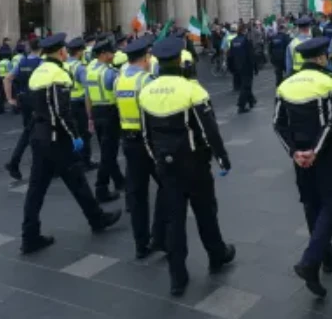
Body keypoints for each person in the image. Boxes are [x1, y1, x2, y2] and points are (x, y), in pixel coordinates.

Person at [138, 37, 235, 296]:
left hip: (165, 165)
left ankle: (177, 278)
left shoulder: (146, 92)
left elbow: (146, 134)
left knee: (174, 220)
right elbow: (209, 129)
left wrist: (156, 159)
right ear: (180, 61)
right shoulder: (193, 90)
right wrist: (222, 157)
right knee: (205, 211)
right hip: (194, 163)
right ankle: (217, 254)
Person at [20, 33, 121, 254]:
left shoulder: (38, 72)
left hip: (39, 136)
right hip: (57, 139)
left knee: (36, 190)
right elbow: (61, 113)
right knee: (77, 181)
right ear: (61, 52)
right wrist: (74, 135)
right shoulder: (59, 74)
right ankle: (97, 219)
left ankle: (29, 235)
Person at [273, 36, 332, 298]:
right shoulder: (330, 82)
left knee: (311, 202)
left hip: (300, 157)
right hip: (323, 154)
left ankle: (325, 256)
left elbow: (278, 124)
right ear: (321, 57)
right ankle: (311, 259)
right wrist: (315, 151)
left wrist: (295, 153)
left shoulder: (285, 85)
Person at [115, 37, 167, 259]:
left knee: (137, 195)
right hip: (149, 142)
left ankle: (141, 244)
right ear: (145, 58)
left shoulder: (119, 80)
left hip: (128, 141)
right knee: (167, 187)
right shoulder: (147, 80)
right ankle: (160, 236)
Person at [85, 39, 125, 203]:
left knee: (106, 150)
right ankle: (101, 188)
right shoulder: (110, 73)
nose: (114, 54)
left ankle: (119, 181)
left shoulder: (90, 70)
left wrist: (90, 118)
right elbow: (120, 96)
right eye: (111, 52)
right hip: (110, 113)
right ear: (103, 54)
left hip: (96, 111)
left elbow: (87, 96)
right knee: (109, 154)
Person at [4, 38, 43, 181]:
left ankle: (17, 163)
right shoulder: (41, 63)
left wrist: (10, 98)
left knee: (30, 131)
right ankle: (21, 164)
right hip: (36, 100)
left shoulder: (22, 61)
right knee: (36, 132)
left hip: (23, 100)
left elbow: (7, 78)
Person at [66, 37, 96, 170]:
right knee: (85, 133)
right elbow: (87, 89)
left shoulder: (64, 64)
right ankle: (85, 161)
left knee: (72, 132)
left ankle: (73, 159)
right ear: (79, 52)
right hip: (79, 103)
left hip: (66, 102)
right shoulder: (80, 67)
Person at [227, 23, 257, 113]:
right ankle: (241, 105)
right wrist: (255, 68)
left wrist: (231, 68)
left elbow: (230, 56)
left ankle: (251, 101)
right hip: (246, 67)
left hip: (237, 67)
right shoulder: (246, 41)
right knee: (246, 85)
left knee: (245, 84)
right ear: (244, 31)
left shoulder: (233, 41)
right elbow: (251, 56)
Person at [0, 48, 13, 115]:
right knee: (11, 94)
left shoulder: (0, 62)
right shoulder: (8, 62)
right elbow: (11, 72)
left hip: (1, 79)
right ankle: (15, 109)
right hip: (7, 79)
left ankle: (0, 110)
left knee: (1, 95)